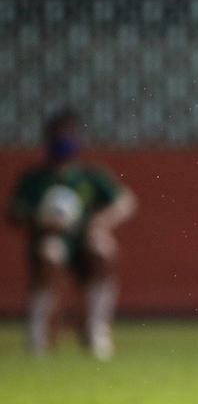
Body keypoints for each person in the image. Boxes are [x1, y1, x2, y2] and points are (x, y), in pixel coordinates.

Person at [7, 110, 136, 360]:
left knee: (103, 249)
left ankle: (96, 328)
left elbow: (126, 201)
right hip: (50, 239)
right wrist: (41, 220)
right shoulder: (34, 178)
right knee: (50, 254)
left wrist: (101, 222)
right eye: (57, 136)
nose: (62, 141)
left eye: (67, 136)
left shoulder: (90, 175)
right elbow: (15, 212)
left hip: (83, 239)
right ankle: (39, 332)